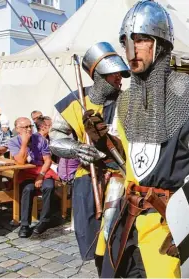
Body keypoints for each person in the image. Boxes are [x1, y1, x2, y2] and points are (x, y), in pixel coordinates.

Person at [95, 1, 189, 277]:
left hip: (169, 228)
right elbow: (126, 168)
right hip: (126, 223)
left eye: (141, 39)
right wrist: (104, 144)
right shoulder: (126, 101)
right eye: (126, 41)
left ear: (162, 44)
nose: (132, 50)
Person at [49, 42, 130, 272]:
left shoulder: (127, 101)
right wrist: (77, 149)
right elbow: (55, 139)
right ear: (99, 75)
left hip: (122, 178)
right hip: (89, 177)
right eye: (113, 74)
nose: (119, 78)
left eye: (119, 74)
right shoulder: (75, 101)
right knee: (94, 241)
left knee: (120, 237)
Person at [9, 117, 57, 238]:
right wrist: (25, 142)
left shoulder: (40, 139)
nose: (29, 129)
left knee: (49, 187)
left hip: (42, 170)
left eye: (30, 126)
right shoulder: (14, 141)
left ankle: (44, 221)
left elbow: (48, 160)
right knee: (28, 189)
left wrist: (41, 176)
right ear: (17, 129)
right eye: (25, 127)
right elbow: (20, 161)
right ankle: (25, 225)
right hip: (26, 172)